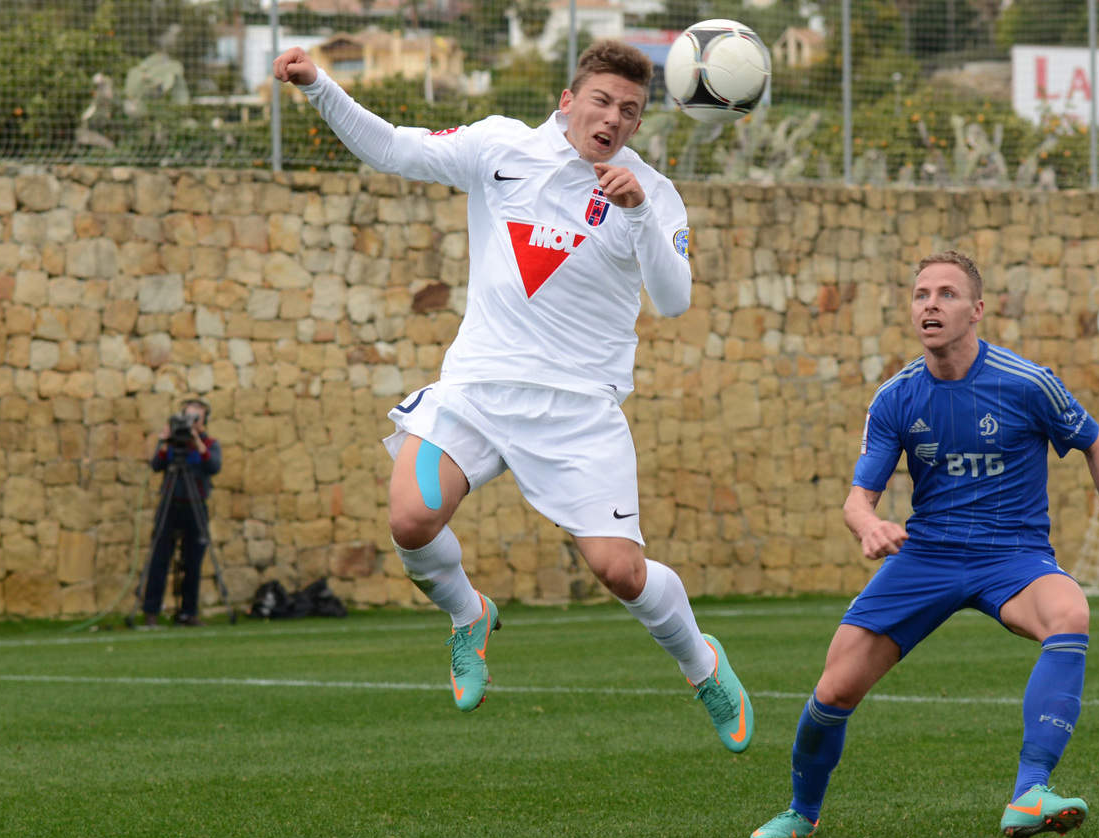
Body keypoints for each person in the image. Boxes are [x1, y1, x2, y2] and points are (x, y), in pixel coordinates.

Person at [272, 41, 753, 751]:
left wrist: (637, 213)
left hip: (579, 410)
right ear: (568, 100)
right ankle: (468, 616)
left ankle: (700, 663)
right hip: (478, 389)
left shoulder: (650, 191)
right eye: (601, 101)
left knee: (620, 572)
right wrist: (319, 85)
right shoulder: (500, 147)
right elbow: (393, 148)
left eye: (629, 111)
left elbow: (675, 300)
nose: (613, 118)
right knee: (410, 518)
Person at [750, 251, 1099, 838]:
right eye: (921, 295)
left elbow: (1097, 443)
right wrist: (869, 526)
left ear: (977, 310)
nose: (931, 305)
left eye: (946, 294)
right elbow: (857, 500)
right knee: (835, 687)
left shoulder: (1027, 382)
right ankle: (801, 812)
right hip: (926, 557)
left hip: (1013, 555)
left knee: (1070, 611)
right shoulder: (896, 397)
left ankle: (1031, 791)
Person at [142, 399, 221, 628]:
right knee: (159, 559)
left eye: (197, 418)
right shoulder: (172, 443)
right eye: (188, 417)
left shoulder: (210, 444)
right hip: (170, 505)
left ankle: (188, 612)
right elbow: (156, 465)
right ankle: (151, 612)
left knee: (193, 561)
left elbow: (213, 467)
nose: (191, 423)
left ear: (204, 420)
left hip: (195, 506)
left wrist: (197, 442)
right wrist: (164, 442)